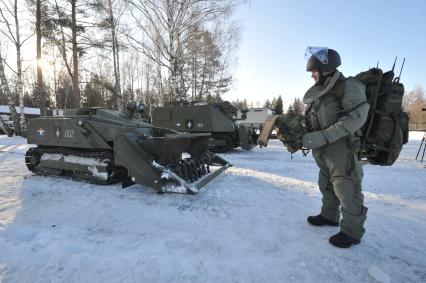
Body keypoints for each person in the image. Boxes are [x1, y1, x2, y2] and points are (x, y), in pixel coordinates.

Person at [302, 47, 369, 248]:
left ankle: (352, 231)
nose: (312, 75)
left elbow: (355, 118)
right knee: (327, 183)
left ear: (326, 67)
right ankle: (329, 215)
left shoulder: (348, 86)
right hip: (324, 149)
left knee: (346, 188)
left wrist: (323, 136)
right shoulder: (321, 91)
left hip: (342, 148)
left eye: (314, 70)